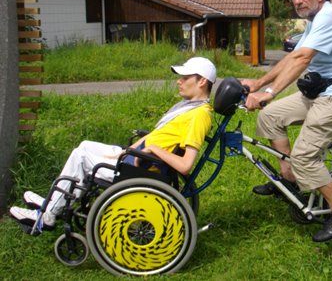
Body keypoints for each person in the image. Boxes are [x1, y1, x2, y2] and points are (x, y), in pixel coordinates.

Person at [10, 57, 217, 231]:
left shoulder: (199, 115)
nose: (178, 82)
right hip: (135, 157)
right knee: (84, 146)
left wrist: (152, 149)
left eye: (185, 77)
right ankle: (52, 203)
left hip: (140, 170)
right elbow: (156, 136)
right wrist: (127, 151)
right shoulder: (190, 108)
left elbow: (185, 165)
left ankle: (47, 215)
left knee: (82, 157)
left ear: (202, 82)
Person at [242, 0, 332, 242]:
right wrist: (259, 83)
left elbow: (302, 58)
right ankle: (290, 182)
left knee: (304, 157)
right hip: (320, 94)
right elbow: (292, 58)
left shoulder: (330, 16)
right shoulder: (313, 20)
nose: (297, 1)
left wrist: (271, 91)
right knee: (270, 116)